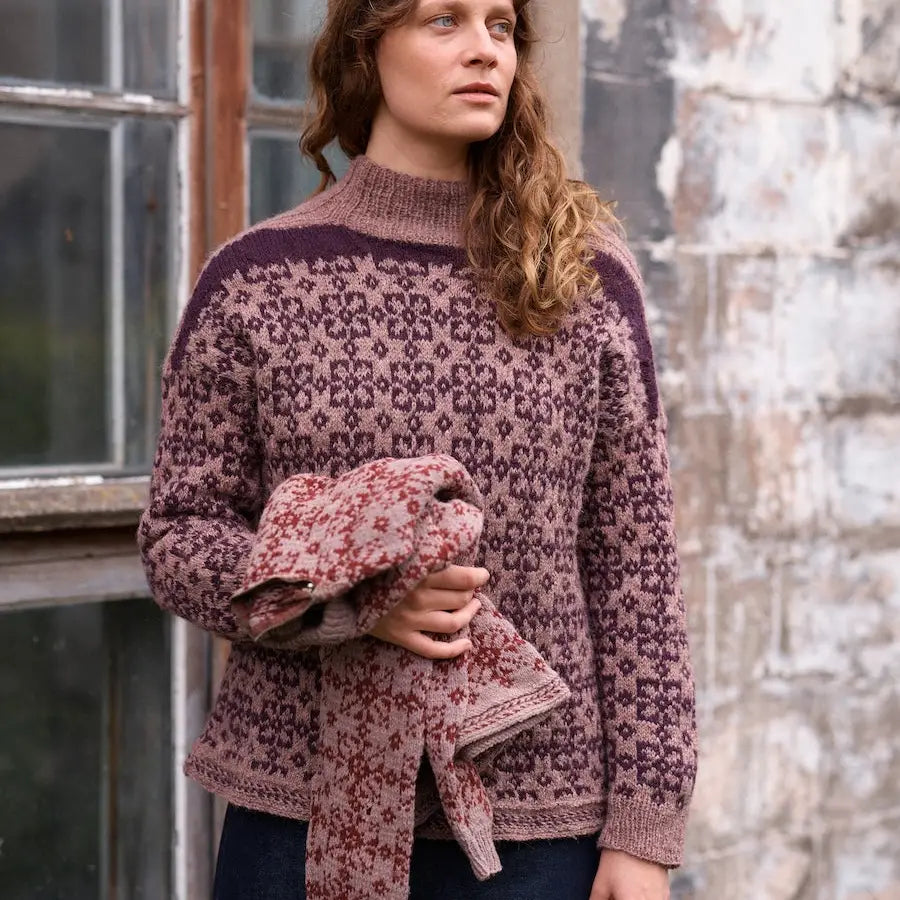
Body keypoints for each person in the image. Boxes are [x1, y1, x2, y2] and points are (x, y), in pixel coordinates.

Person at [137, 0, 698, 898]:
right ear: (368, 49)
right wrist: (352, 598)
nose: (484, 50)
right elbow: (179, 538)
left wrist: (647, 830)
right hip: (298, 812)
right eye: (444, 21)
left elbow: (636, 568)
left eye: (501, 27)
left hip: (542, 827)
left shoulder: (581, 277)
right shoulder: (258, 282)